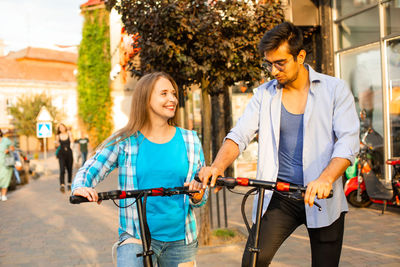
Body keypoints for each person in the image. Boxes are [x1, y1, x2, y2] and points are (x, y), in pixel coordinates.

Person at [198, 22, 359, 267]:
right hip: (280, 196)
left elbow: (348, 141)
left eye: (280, 63)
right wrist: (217, 166)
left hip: (322, 197)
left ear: (300, 56)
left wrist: (326, 178)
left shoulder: (334, 90)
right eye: (269, 64)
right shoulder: (264, 94)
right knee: (252, 261)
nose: (273, 71)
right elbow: (240, 134)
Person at [72, 72, 207, 267]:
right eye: (164, 93)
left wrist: (197, 194)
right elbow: (91, 168)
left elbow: (201, 196)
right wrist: (81, 186)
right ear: (146, 99)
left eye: (173, 93)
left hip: (180, 239)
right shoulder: (125, 140)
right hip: (136, 234)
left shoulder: (190, 140)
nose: (172, 99)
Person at [56, 123, 74, 193]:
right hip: (61, 154)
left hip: (69, 154)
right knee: (62, 170)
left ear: (65, 127)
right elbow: (56, 144)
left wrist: (70, 134)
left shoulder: (69, 134)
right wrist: (56, 143)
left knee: (69, 169)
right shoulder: (58, 136)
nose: (61, 129)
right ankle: (62, 185)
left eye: (62, 127)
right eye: (60, 128)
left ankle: (69, 184)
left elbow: (72, 141)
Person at [0, 129, 15, 201]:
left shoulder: (6, 140)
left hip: (5, 164)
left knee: (5, 178)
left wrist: (8, 150)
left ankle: (3, 195)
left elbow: (12, 148)